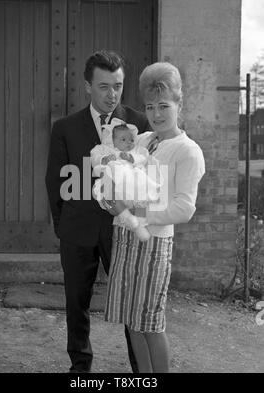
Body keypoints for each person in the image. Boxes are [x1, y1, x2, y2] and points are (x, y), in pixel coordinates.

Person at [45, 50, 149, 373]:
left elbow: (148, 179)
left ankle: (140, 370)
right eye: (104, 86)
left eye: (118, 85)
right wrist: (63, 227)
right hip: (77, 230)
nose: (112, 94)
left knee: (132, 306)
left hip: (123, 230)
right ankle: (80, 366)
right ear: (87, 86)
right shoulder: (65, 127)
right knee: (77, 303)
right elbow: (55, 180)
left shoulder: (139, 123)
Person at [104, 62, 205, 373]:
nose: (157, 114)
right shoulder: (144, 140)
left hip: (155, 244)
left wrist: (141, 213)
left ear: (179, 104)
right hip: (126, 237)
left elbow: (184, 208)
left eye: (164, 105)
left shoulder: (188, 151)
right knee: (132, 322)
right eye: (150, 106)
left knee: (150, 321)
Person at [90, 119, 161, 242]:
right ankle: (129, 219)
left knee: (142, 195)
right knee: (110, 196)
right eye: (123, 140)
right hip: (115, 181)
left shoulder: (136, 150)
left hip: (133, 180)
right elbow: (94, 157)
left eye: (131, 140)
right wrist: (104, 159)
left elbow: (144, 157)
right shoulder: (107, 150)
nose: (128, 143)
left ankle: (140, 224)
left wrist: (132, 158)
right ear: (113, 141)